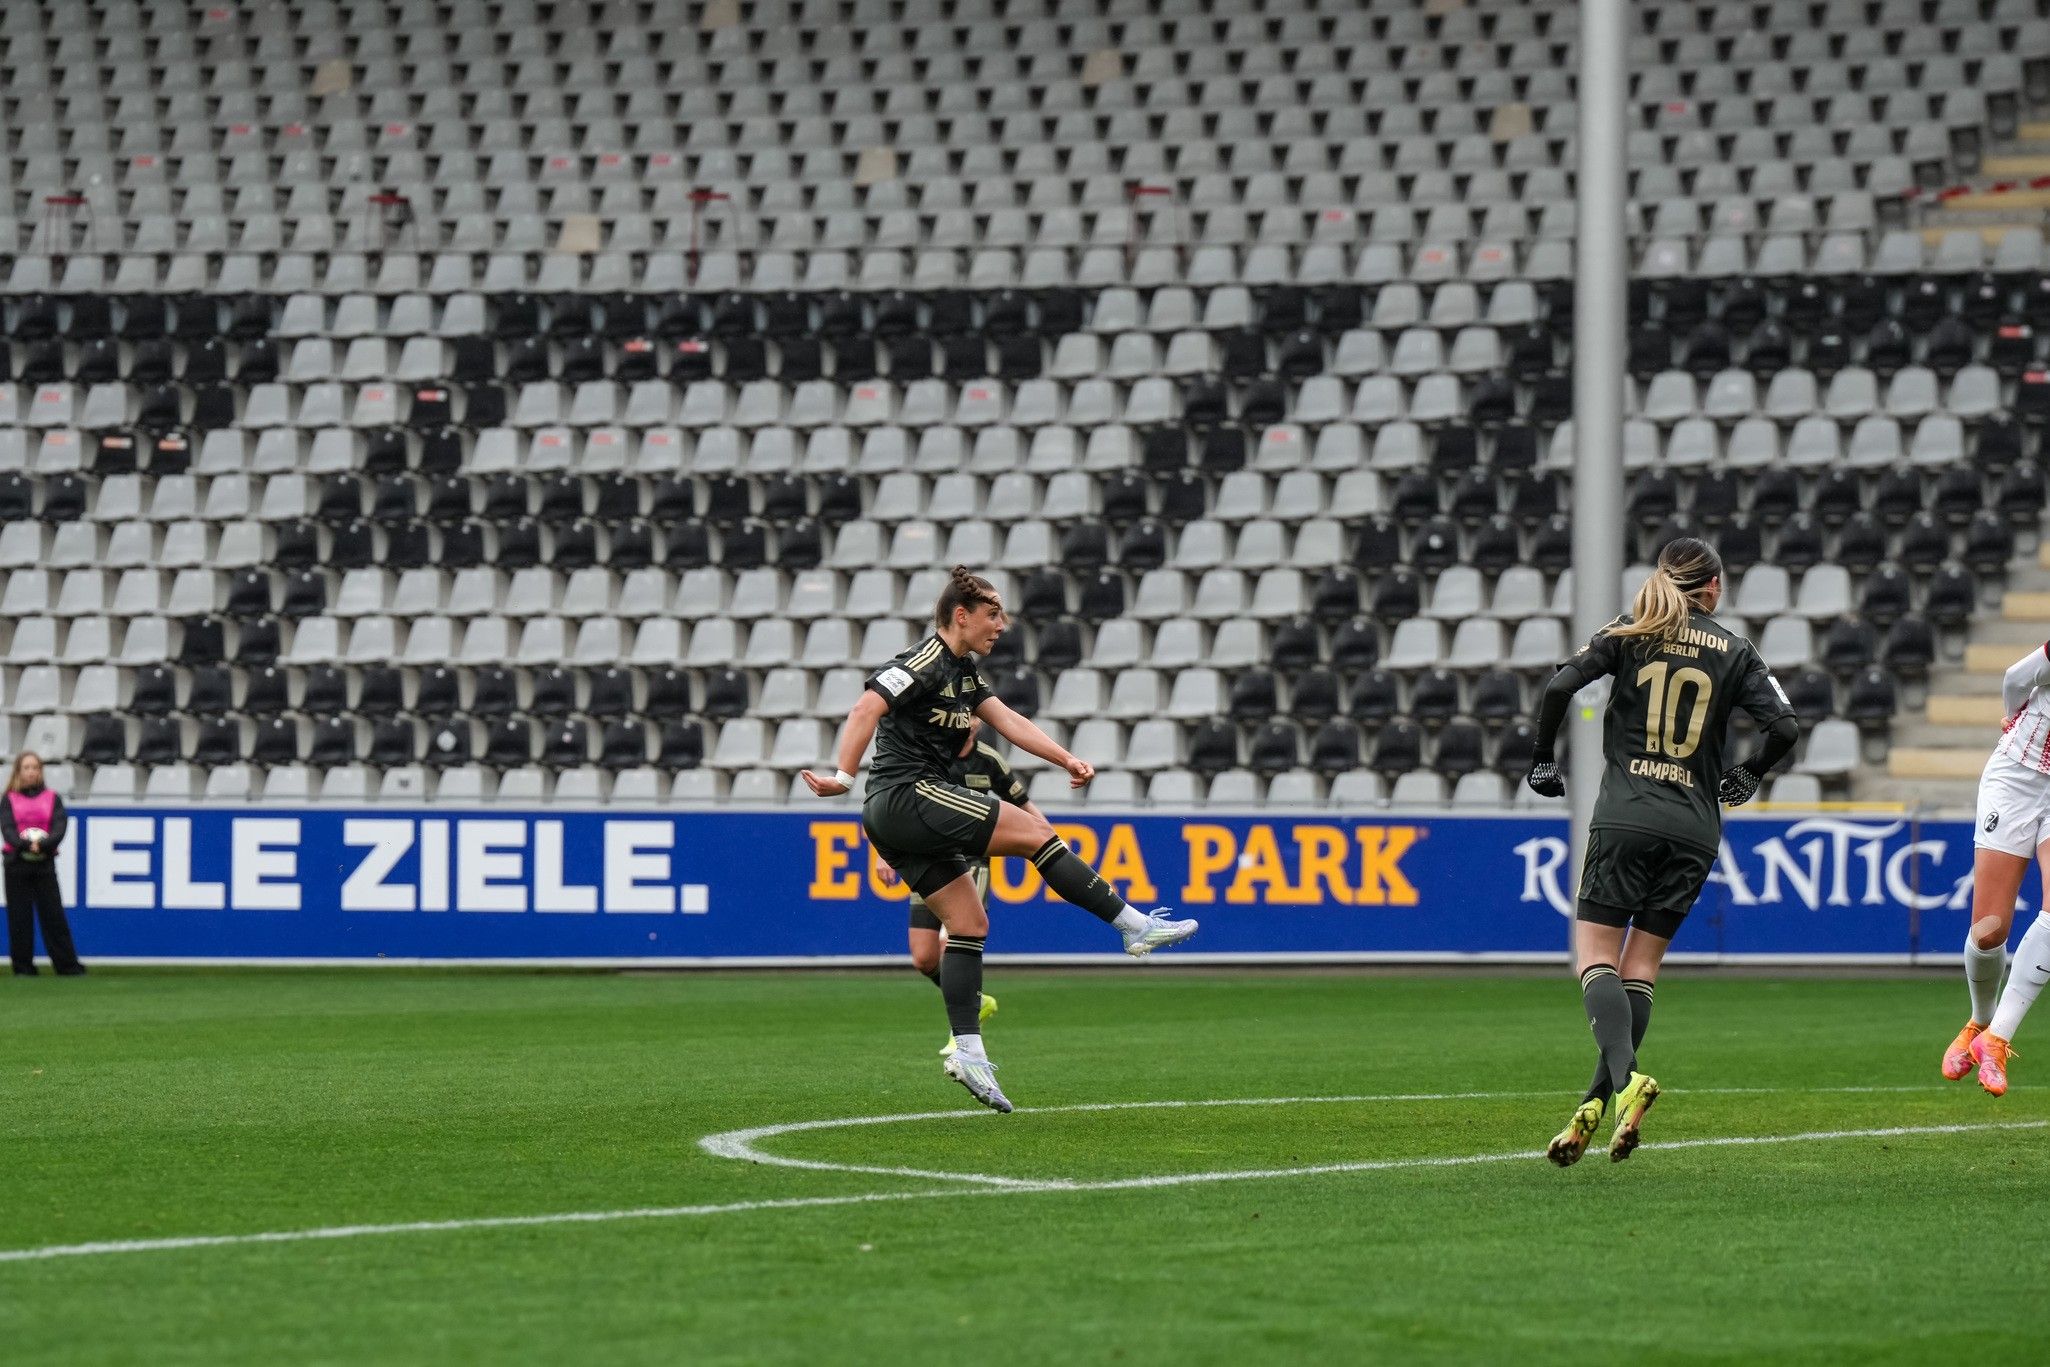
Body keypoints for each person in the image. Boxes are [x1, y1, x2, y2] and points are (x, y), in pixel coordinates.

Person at [804, 565, 1197, 1113]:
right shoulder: (922, 661)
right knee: (1037, 832)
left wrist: (1065, 758)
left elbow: (1008, 719)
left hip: (900, 810)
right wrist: (842, 778)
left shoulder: (963, 672)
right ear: (960, 616)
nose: (1002, 624)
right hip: (907, 795)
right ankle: (1134, 926)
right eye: (993, 614)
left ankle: (967, 1050)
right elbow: (865, 707)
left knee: (968, 924)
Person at [1524, 539, 1800, 1164]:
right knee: (1640, 970)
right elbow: (1785, 728)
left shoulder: (1630, 632)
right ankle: (1596, 1103)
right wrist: (1750, 773)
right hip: (1695, 826)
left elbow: (1558, 687)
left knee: (1594, 956)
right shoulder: (1736, 650)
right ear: (1712, 589)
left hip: (1626, 816)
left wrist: (1542, 759)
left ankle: (1626, 1084)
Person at [1943, 641, 2050, 1096]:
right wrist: (2011, 717)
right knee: (1989, 930)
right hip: (2017, 775)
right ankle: (1979, 1024)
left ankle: (1998, 1037)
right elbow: (2013, 679)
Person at [1, 752, 83, 977]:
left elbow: (59, 826)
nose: (31, 772)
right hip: (16, 864)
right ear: (18, 772)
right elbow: (8, 830)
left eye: (35, 767)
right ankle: (23, 967)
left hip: (44, 864)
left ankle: (67, 966)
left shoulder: (52, 798)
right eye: (26, 767)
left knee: (54, 916)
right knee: (19, 918)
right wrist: (27, 846)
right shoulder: (8, 799)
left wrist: (43, 845)